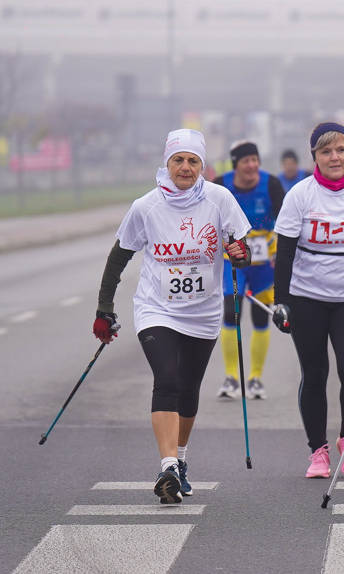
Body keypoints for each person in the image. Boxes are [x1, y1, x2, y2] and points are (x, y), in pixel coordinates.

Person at [93, 128, 251, 504]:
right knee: (167, 379)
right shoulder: (145, 206)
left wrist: (240, 254)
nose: (185, 167)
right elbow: (119, 258)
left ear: (202, 165)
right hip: (156, 308)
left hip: (203, 310)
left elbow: (242, 246)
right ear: (166, 163)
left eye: (193, 160)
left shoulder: (219, 199)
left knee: (190, 390)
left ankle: (180, 461)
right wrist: (105, 308)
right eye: (178, 160)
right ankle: (166, 466)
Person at [271, 122, 344, 479]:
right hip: (307, 297)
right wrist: (280, 301)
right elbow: (283, 253)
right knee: (315, 374)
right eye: (326, 151)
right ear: (314, 156)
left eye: (340, 150)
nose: (334, 157)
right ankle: (318, 451)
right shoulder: (300, 194)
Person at [214, 141, 285, 400]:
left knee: (260, 317)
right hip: (232, 263)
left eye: (255, 159)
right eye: (246, 161)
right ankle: (232, 377)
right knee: (231, 314)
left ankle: (255, 378)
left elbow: (286, 221)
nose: (252, 165)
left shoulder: (271, 184)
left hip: (264, 263)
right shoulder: (221, 184)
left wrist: (281, 251)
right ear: (236, 165)